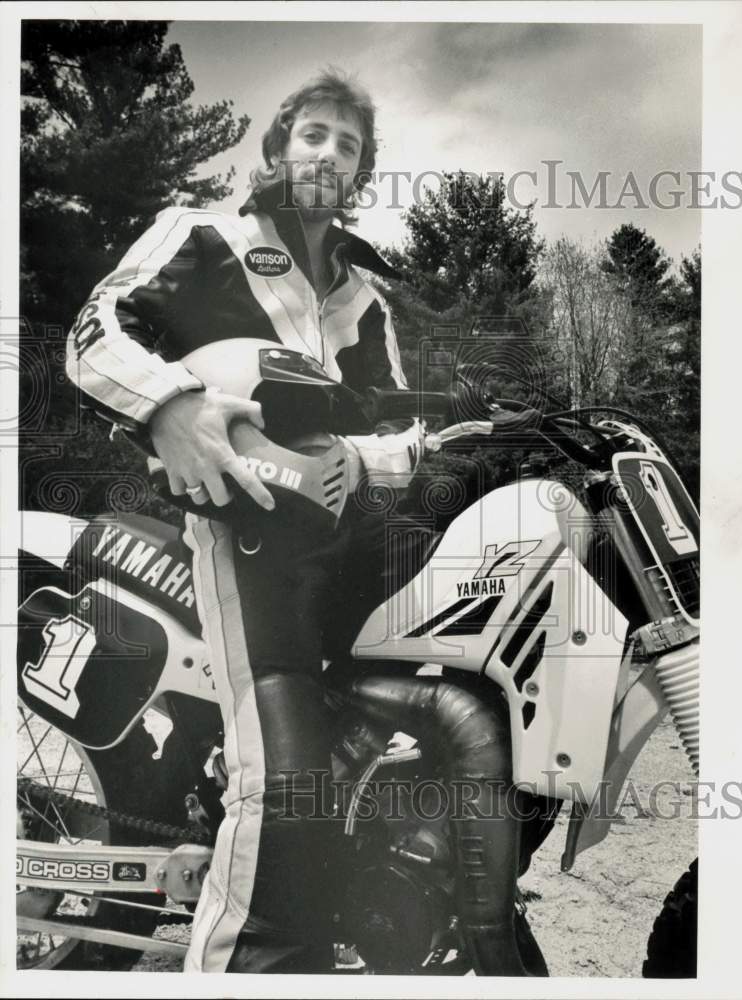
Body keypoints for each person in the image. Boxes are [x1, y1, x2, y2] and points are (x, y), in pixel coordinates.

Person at [66, 69, 426, 973]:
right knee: (286, 780)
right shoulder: (205, 233)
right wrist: (169, 405)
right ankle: (254, 953)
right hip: (236, 522)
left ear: (361, 174)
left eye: (348, 146)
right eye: (313, 134)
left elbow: (396, 423)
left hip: (350, 534)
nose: (328, 154)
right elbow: (91, 328)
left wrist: (369, 457)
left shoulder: (366, 297)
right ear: (276, 149)